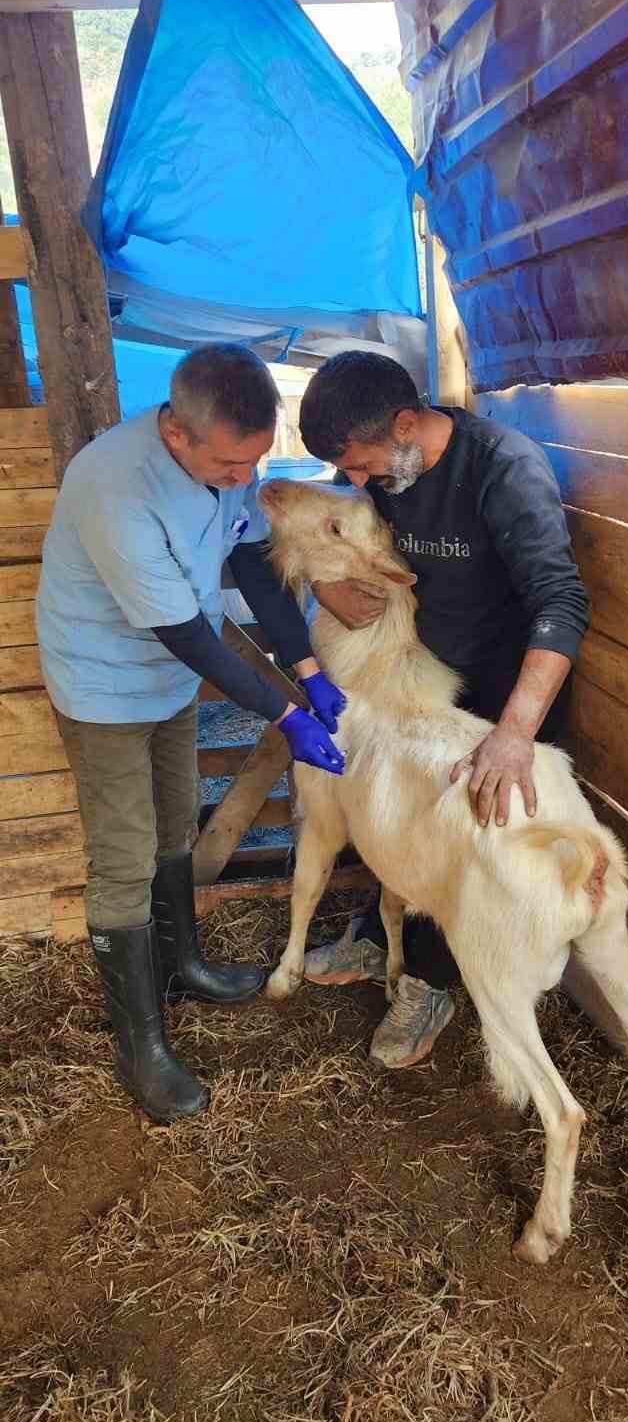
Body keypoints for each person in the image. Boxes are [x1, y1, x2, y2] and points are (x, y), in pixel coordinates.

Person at [36, 344, 345, 1123]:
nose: (246, 479)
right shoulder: (116, 486)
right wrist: (288, 714)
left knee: (177, 819)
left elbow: (249, 560)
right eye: (232, 463)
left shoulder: (221, 471)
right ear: (176, 432)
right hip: (105, 682)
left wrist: (307, 668)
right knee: (123, 855)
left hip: (167, 680)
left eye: (256, 461)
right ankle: (141, 1046)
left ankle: (185, 966)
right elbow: (190, 637)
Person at [298, 351, 589, 1070]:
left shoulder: (502, 468)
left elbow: (561, 601)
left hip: (502, 699)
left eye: (359, 466)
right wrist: (321, 582)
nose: (354, 482)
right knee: (395, 814)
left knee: (456, 838)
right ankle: (377, 929)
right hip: (426, 683)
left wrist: (515, 734)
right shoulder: (387, 466)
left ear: (404, 423)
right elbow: (333, 531)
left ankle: (429, 984)